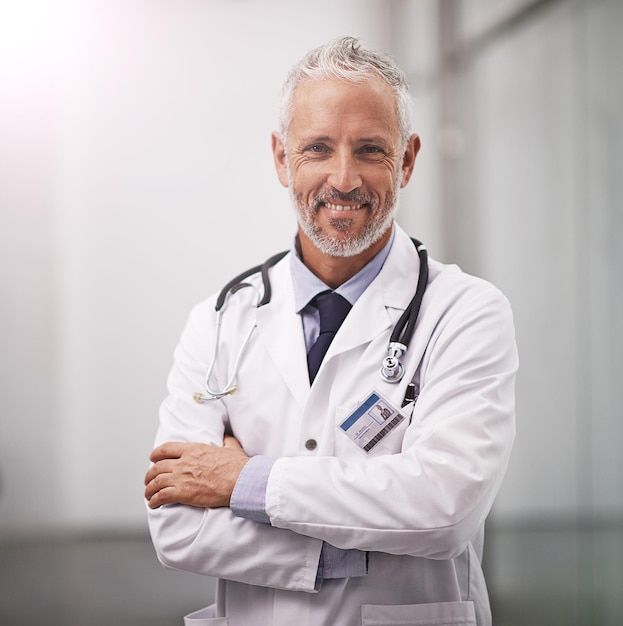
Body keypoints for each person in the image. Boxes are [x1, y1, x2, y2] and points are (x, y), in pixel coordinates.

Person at [144, 36, 517, 626]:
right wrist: (347, 543)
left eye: (370, 149)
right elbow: (176, 526)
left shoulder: (466, 313)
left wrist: (243, 480)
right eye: (318, 147)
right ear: (281, 157)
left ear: (408, 160)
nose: (343, 179)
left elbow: (445, 510)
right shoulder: (221, 319)